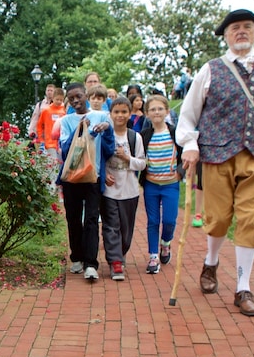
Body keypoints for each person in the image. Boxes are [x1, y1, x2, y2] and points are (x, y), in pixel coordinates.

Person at [176, 9, 254, 317]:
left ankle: (243, 287)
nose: (241, 32)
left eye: (247, 27)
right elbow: (188, 115)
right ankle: (211, 261)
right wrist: (190, 144)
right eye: (235, 29)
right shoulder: (211, 69)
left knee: (250, 220)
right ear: (226, 36)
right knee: (217, 219)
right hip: (216, 156)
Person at [57, 82, 116, 282]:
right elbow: (64, 150)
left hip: (93, 176)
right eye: (71, 98)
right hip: (72, 177)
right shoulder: (66, 121)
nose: (75, 100)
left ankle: (91, 263)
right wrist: (81, 129)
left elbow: (109, 149)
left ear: (86, 95)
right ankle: (77, 257)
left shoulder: (101, 116)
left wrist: (107, 130)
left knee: (91, 219)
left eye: (79, 96)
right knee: (73, 218)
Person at [101, 96, 146, 281]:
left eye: (124, 112)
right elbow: (98, 159)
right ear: (110, 114)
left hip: (129, 191)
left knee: (126, 230)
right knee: (111, 226)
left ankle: (121, 253)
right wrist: (104, 175)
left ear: (129, 114)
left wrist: (128, 158)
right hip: (109, 191)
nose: (120, 115)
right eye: (116, 112)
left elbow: (142, 163)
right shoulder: (105, 135)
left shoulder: (135, 137)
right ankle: (115, 262)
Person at [140, 95, 183, 274]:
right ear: (147, 113)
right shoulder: (144, 135)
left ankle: (165, 243)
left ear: (166, 111)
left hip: (171, 184)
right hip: (151, 184)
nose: (156, 112)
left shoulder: (175, 132)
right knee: (153, 221)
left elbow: (185, 153)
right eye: (152, 109)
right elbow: (139, 157)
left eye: (160, 109)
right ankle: (153, 256)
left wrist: (180, 171)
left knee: (169, 220)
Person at [37, 87, 67, 164]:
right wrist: (41, 139)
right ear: (53, 98)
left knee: (61, 164)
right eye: (57, 99)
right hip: (49, 143)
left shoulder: (64, 110)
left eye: (61, 100)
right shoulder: (46, 111)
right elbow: (39, 125)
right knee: (52, 165)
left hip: (62, 143)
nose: (59, 102)